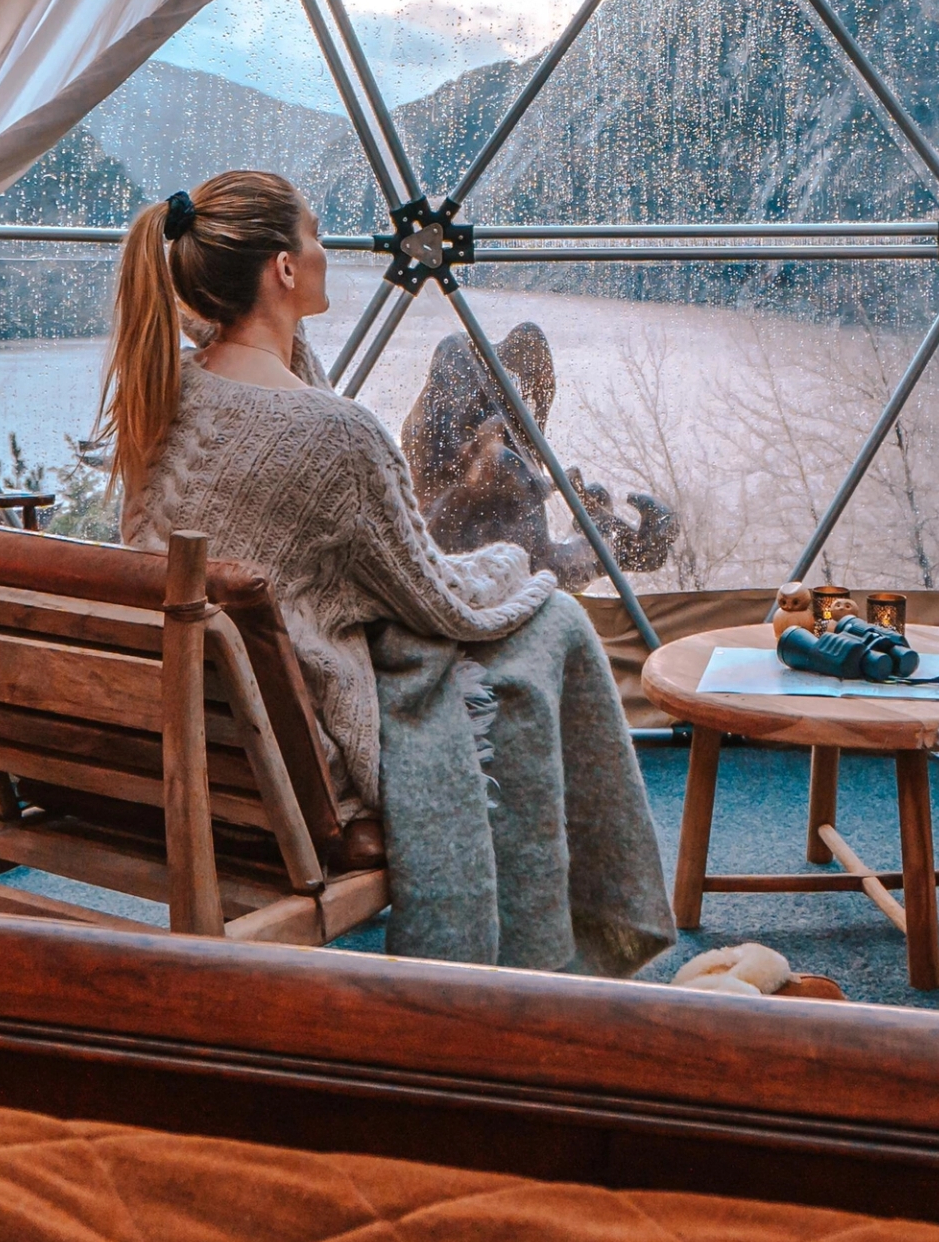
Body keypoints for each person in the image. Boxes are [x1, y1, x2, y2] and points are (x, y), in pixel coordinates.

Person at [98, 169, 673, 974]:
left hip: (182, 724)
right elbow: (440, 602)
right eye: (317, 235)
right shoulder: (336, 435)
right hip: (287, 758)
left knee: (535, 627)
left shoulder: (165, 390)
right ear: (284, 271)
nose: (329, 251)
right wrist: (515, 560)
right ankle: (573, 944)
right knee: (554, 625)